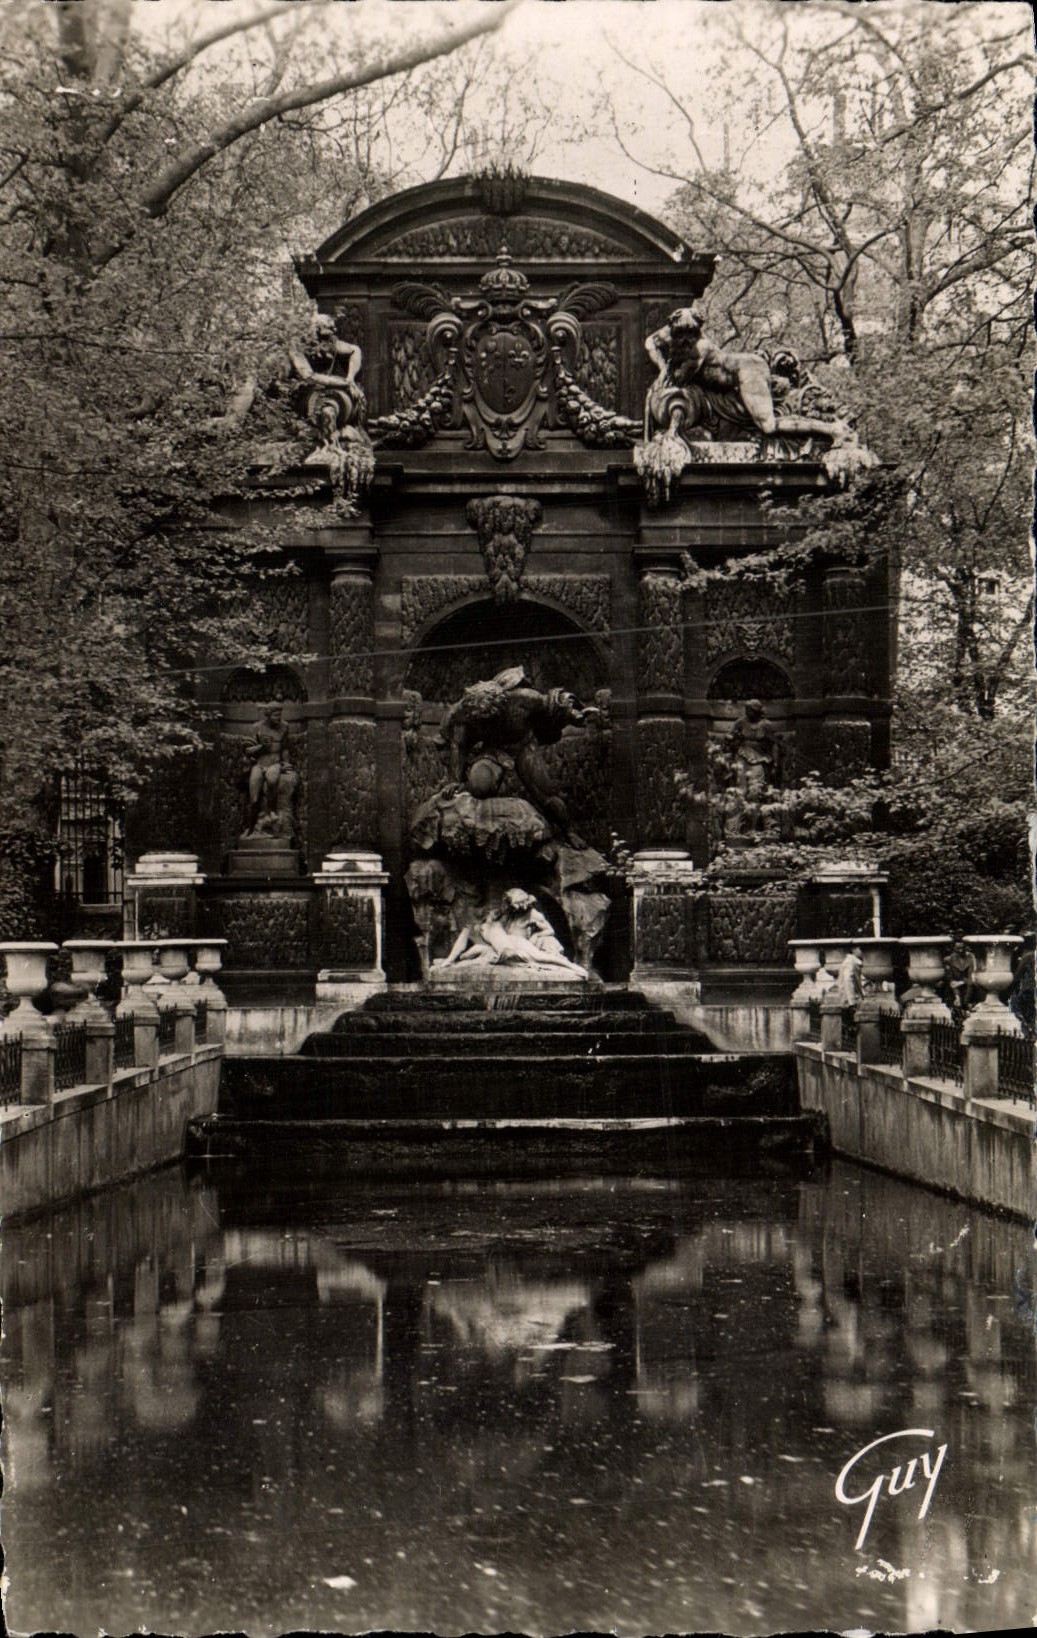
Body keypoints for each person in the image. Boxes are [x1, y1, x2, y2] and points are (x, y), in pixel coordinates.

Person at [243, 704, 298, 838]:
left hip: (275, 763)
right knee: (254, 799)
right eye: (275, 715)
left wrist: (286, 763)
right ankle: (249, 828)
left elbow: (284, 748)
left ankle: (271, 811)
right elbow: (247, 751)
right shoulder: (257, 727)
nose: (278, 718)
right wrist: (261, 747)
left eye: (280, 715)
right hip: (260, 764)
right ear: (268, 714)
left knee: (272, 780)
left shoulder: (284, 727)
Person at [942, 938, 977, 1016]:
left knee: (971, 985)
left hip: (968, 985)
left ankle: (966, 1005)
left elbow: (972, 976)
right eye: (958, 948)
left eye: (962, 948)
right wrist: (957, 996)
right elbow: (951, 979)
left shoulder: (970, 957)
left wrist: (962, 982)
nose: (961, 950)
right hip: (954, 987)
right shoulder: (949, 959)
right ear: (954, 948)